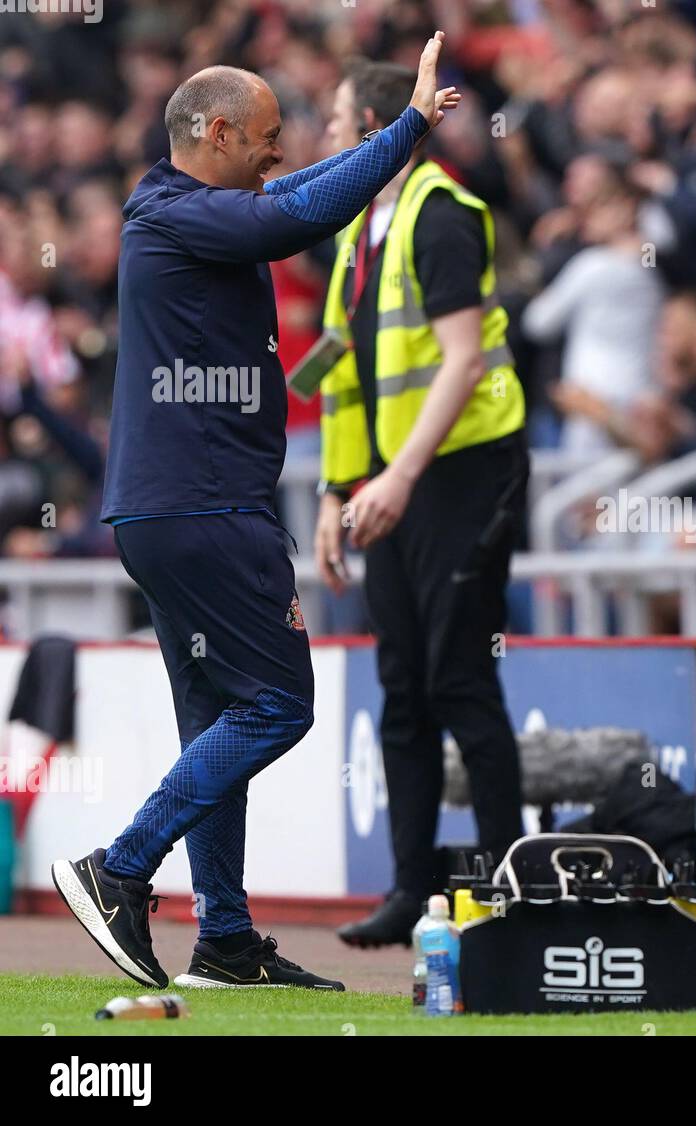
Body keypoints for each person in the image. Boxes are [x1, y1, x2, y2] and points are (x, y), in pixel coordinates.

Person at [51, 34, 461, 991]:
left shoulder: (183, 210)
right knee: (279, 705)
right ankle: (119, 869)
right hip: (203, 506)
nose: (280, 154)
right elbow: (303, 214)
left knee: (220, 724)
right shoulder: (177, 214)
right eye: (269, 138)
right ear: (221, 131)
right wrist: (407, 125)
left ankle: (225, 939)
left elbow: (287, 201)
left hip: (171, 509)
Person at [313, 60, 528, 949]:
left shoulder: (443, 215)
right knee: (401, 686)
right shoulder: (357, 229)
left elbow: (463, 363)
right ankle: (413, 891)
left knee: (459, 680)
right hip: (392, 478)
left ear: (375, 127)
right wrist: (335, 492)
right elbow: (336, 370)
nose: (326, 139)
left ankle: (509, 892)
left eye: (334, 123)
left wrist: (395, 477)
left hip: (466, 472)